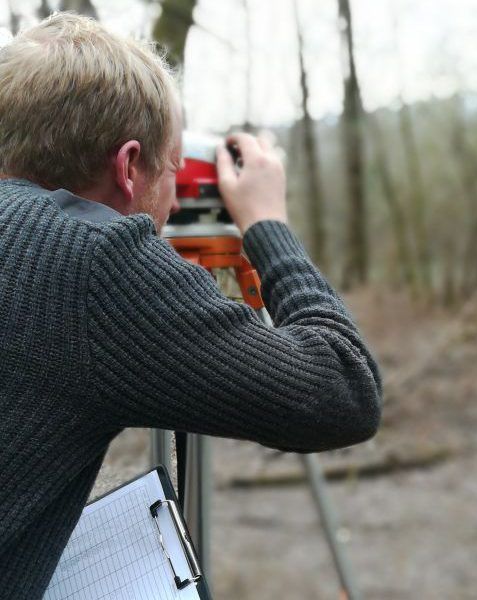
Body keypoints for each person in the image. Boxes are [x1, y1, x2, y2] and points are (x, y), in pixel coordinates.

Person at [0, 13, 382, 598]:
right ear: (128, 168)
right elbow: (342, 391)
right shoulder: (95, 266)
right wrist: (267, 224)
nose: (175, 200)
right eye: (173, 169)